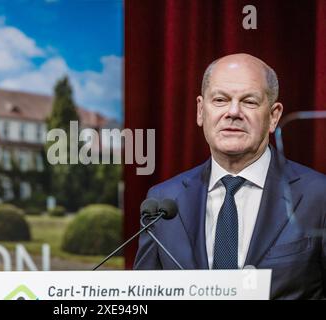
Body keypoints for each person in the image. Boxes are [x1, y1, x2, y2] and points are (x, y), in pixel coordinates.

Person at [133, 53, 326, 299]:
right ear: (201, 111)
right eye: (221, 100)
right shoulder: (163, 201)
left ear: (274, 116)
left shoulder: (319, 196)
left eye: (249, 102)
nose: (233, 112)